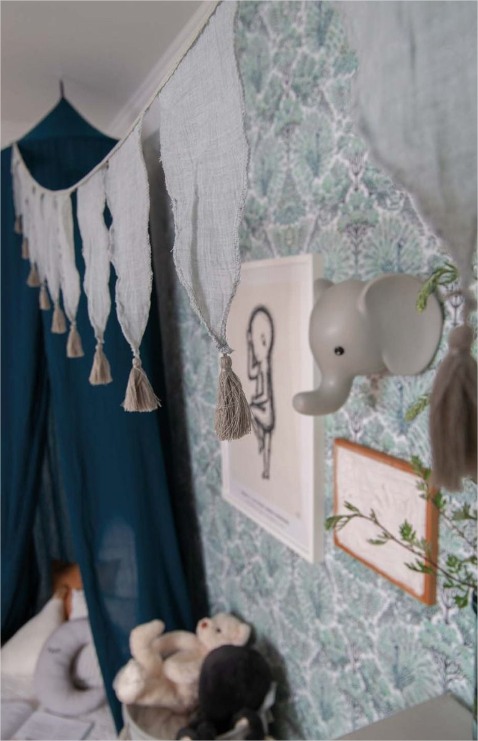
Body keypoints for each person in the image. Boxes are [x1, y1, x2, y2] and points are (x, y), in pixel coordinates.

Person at [247, 306, 275, 479]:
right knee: (268, 445)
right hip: (267, 413)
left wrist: (255, 400)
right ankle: (266, 471)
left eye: (256, 344)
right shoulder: (263, 362)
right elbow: (250, 373)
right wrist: (249, 346)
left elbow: (266, 395)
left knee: (249, 409)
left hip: (267, 413)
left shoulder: (265, 365)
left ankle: (258, 440)